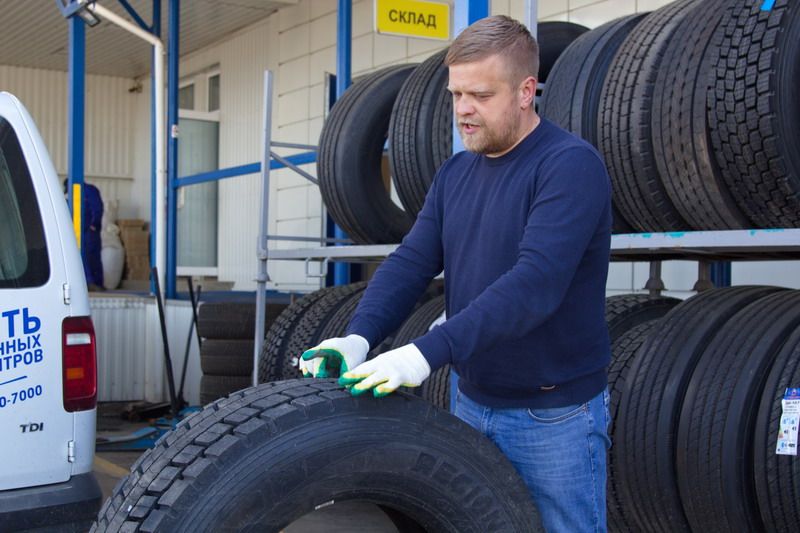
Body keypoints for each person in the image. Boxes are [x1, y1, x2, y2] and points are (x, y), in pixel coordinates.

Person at [301, 15, 612, 533]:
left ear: (525, 91)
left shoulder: (569, 167)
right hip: (472, 400)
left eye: (480, 95)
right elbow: (413, 260)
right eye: (456, 94)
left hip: (553, 415)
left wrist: (427, 350)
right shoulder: (455, 172)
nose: (463, 110)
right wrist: (358, 337)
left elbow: (534, 285)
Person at [64, 179, 104, 290]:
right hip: (78, 232)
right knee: (84, 258)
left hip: (88, 232)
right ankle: (90, 283)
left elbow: (97, 208)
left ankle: (95, 284)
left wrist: (94, 225)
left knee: (91, 257)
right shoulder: (71, 194)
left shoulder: (88, 191)